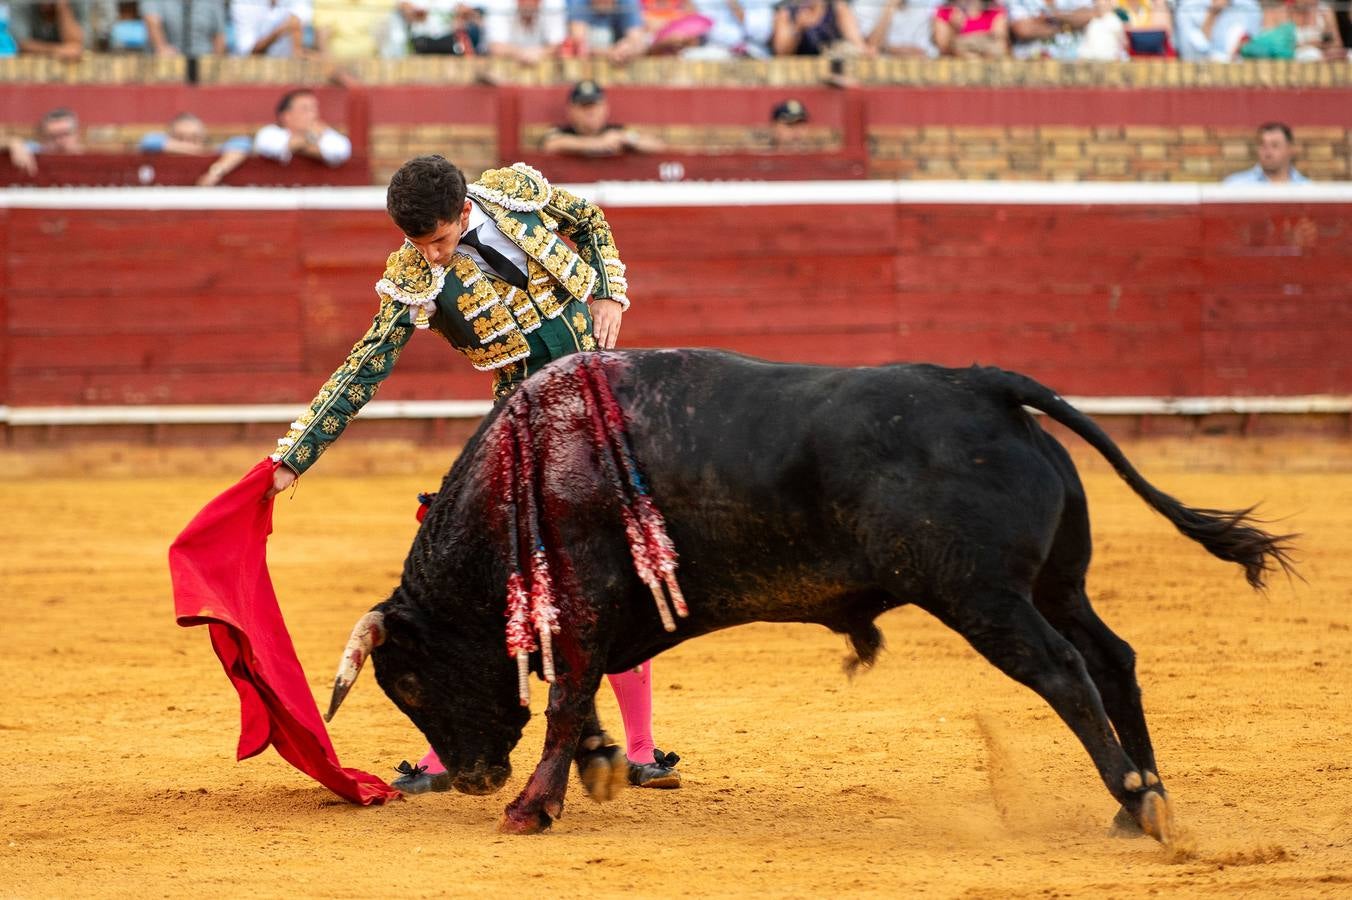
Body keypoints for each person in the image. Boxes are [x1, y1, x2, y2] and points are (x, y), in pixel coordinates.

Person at [266, 154, 681, 792]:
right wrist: (294, 455)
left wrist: (608, 290)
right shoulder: (412, 274)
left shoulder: (516, 196)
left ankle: (642, 751)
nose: (431, 257)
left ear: (464, 211)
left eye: (437, 241)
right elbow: (365, 365)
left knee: (620, 567)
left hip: (600, 402)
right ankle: (443, 754)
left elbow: (590, 220)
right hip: (519, 419)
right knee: (471, 577)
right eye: (417, 244)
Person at [540, 80, 665, 156]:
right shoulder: (562, 132)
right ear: (571, 110)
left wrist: (625, 138)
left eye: (595, 106)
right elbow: (551, 144)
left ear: (605, 108)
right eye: (584, 106)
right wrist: (600, 144)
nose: (590, 112)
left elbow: (657, 145)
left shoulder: (616, 131)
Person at [138, 112, 252, 186]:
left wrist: (215, 172)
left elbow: (243, 143)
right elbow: (148, 141)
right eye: (180, 138)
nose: (188, 143)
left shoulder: (212, 150)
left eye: (194, 138)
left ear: (203, 137)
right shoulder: (206, 150)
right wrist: (195, 149)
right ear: (170, 137)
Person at [253, 88, 352, 167]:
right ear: (287, 116)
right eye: (305, 109)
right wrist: (312, 138)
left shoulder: (328, 134)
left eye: (314, 108)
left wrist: (297, 146)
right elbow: (272, 146)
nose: (313, 114)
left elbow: (342, 150)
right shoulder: (269, 133)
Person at [1223, 122, 1311, 184]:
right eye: (1262, 145)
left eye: (1275, 145)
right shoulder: (1235, 185)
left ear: (1290, 149)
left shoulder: (1306, 189)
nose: (1268, 152)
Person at [771, 0, 869, 55]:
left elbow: (858, 45)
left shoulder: (838, 8)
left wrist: (865, 51)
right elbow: (781, 53)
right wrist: (798, 28)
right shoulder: (786, 12)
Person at [5, 107, 81, 177]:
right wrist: (14, 143)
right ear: (43, 138)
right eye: (52, 136)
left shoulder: (88, 153)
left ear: (77, 133)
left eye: (65, 134)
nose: (59, 141)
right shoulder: (36, 149)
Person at [1174, 0, 1261, 61]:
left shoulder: (1250, 5)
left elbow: (1254, 53)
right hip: (1200, 79)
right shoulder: (1188, 6)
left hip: (1239, 79)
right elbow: (1189, 56)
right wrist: (1213, 14)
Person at [1006, 0, 1094, 59]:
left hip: (1073, 62)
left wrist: (1051, 17)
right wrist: (1068, 25)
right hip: (1030, 63)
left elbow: (1087, 16)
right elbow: (1022, 29)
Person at [564, 0, 649, 61]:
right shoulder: (579, 3)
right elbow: (579, 44)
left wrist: (628, 48)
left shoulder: (628, 3)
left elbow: (637, 41)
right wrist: (612, 52)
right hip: (589, 67)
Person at [484, 0, 566, 62]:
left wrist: (536, 53)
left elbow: (560, 45)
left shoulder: (554, 6)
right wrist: (524, 53)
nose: (528, 3)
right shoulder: (500, 5)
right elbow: (495, 47)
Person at [141, 0, 228, 57]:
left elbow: (219, 36)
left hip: (203, 60)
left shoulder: (214, 2)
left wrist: (214, 63)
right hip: (169, 62)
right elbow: (152, 22)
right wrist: (162, 48)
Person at [857, 0, 941, 58]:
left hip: (926, 64)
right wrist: (890, 6)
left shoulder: (932, 4)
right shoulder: (866, 3)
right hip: (886, 66)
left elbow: (946, 14)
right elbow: (872, 45)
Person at [8, 0, 85, 59]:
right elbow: (21, 44)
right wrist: (57, 50)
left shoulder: (77, 3)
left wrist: (62, 7)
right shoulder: (21, 4)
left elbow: (75, 45)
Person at [933, 0, 1009, 57]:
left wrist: (962, 44)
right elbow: (943, 48)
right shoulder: (944, 11)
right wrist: (954, 30)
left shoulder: (995, 10)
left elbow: (1000, 48)